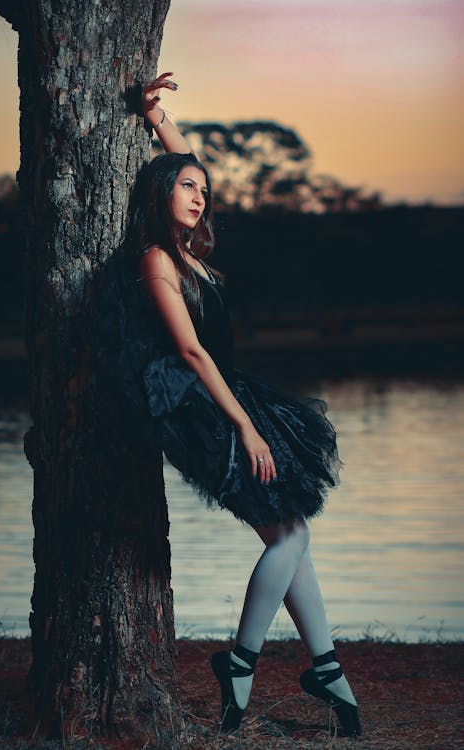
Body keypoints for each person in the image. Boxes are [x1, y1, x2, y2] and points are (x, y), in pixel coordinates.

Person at [127, 72, 361, 737]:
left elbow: (185, 166)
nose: (200, 197)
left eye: (204, 189)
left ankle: (324, 666)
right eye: (186, 187)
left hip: (227, 398)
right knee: (290, 532)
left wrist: (157, 116)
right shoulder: (155, 260)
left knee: (290, 532)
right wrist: (247, 429)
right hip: (200, 409)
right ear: (158, 193)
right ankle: (245, 659)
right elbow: (194, 355)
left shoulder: (190, 252)